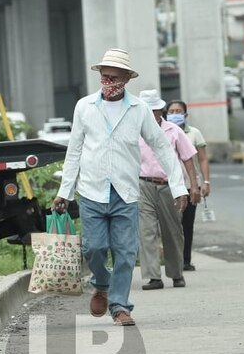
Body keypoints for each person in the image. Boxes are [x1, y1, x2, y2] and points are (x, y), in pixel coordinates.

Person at [53, 49, 190, 326]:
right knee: (93, 248)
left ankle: (120, 306)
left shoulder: (139, 109)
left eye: (114, 77)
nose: (108, 82)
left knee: (126, 253)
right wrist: (64, 192)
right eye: (105, 76)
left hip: (126, 193)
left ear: (127, 79)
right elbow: (74, 150)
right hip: (92, 191)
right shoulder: (84, 107)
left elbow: (162, 148)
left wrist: (178, 187)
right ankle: (102, 283)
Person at [138, 91, 200, 290]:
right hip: (143, 185)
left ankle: (176, 273)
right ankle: (153, 277)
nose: (150, 114)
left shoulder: (173, 131)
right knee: (146, 231)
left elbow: (188, 158)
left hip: (169, 186)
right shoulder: (135, 131)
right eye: (146, 111)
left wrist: (194, 186)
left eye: (154, 110)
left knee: (172, 231)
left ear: (160, 111)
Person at [166, 100, 210, 271]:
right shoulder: (161, 132)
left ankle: (185, 260)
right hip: (169, 185)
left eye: (178, 111)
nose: (174, 114)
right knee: (171, 224)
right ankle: (172, 259)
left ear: (185, 114)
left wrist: (205, 182)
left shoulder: (194, 133)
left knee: (187, 224)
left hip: (190, 184)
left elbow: (203, 159)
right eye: (171, 111)